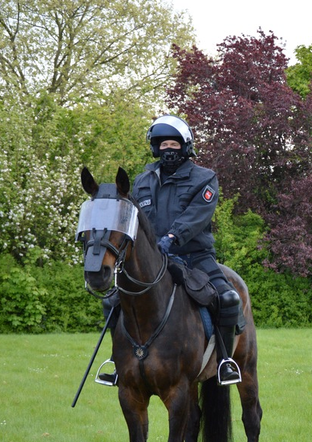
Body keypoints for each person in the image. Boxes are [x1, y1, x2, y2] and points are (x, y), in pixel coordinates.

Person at [96, 115, 243, 386]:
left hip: (195, 256)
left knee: (229, 298)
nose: (168, 149)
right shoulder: (142, 181)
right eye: (162, 144)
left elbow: (198, 215)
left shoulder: (205, 178)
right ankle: (118, 362)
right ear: (155, 148)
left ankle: (224, 362)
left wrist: (173, 237)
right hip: (153, 259)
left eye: (174, 144)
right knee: (111, 301)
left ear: (186, 147)